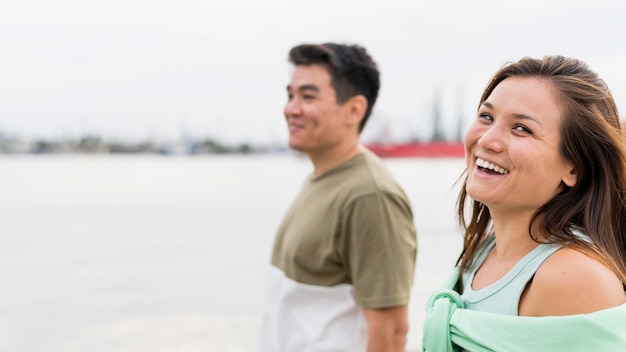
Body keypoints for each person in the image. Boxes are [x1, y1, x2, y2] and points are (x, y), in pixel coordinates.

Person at [422, 55, 626, 351]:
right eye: (486, 117)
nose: (488, 140)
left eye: (521, 128)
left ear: (574, 167)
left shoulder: (573, 277)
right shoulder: (484, 249)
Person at [261, 43, 417, 351]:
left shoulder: (370, 196)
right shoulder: (321, 177)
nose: (291, 108)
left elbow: (392, 332)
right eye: (291, 95)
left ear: (354, 110)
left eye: (308, 96)